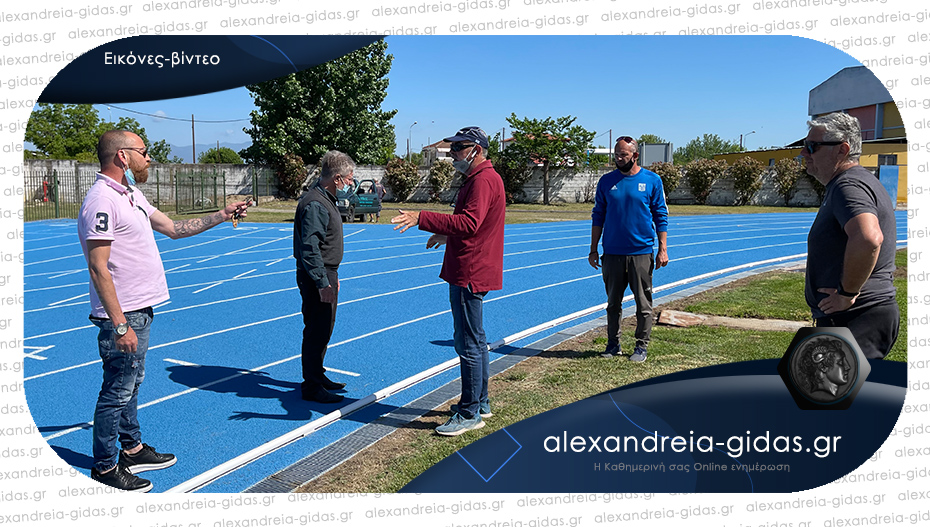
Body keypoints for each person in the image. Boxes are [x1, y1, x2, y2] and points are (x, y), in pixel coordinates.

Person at [78, 130, 251, 492]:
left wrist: (223, 213)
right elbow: (98, 267)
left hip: (141, 310)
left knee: (132, 383)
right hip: (124, 315)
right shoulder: (101, 201)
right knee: (117, 390)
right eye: (144, 152)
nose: (149, 158)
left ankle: (132, 447)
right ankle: (106, 467)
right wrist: (120, 323)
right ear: (123, 156)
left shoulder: (131, 194)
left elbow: (173, 228)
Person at [392, 126, 505, 436]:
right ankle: (479, 402)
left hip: (470, 270)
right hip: (472, 266)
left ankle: (470, 412)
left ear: (477, 150)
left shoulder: (482, 180)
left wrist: (422, 217)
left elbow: (470, 223)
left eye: (460, 148)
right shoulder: (480, 178)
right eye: (453, 148)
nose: (454, 154)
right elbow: (475, 223)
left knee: (468, 342)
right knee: (476, 339)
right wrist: (445, 233)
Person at [801, 112, 899, 359]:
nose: (804, 153)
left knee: (822, 394)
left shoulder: (848, 186)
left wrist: (847, 293)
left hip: (857, 317)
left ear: (842, 150)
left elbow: (868, 238)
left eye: (812, 146)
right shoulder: (850, 182)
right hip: (855, 318)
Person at [589, 136, 669, 363]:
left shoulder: (652, 180)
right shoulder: (606, 182)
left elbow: (660, 215)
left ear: (635, 156)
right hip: (612, 253)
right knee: (613, 303)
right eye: (616, 154)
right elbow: (598, 216)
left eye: (623, 155)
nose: (618, 159)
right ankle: (613, 344)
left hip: (641, 253)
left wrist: (662, 249)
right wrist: (593, 249)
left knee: (643, 304)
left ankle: (641, 346)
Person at [294, 150, 356, 404]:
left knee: (324, 328)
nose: (351, 184)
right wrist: (323, 282)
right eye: (350, 179)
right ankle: (312, 387)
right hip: (316, 275)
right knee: (317, 330)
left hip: (327, 272)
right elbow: (310, 248)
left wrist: (332, 275)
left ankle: (318, 376)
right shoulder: (316, 203)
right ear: (338, 179)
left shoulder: (324, 198)